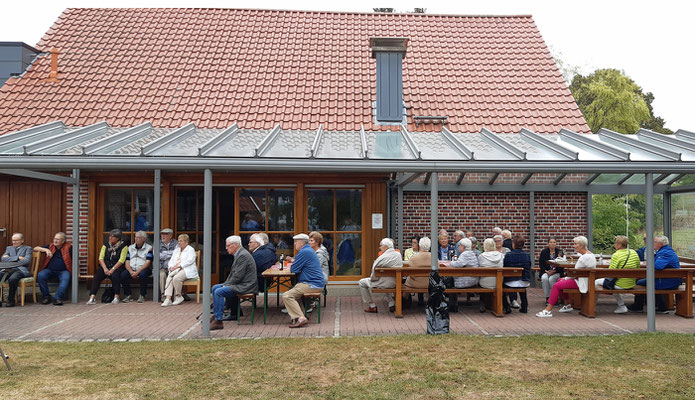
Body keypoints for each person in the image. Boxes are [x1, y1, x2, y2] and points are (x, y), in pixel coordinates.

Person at [536, 236, 596, 317]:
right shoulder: (591, 255)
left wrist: (566, 278)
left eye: (575, 244)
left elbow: (574, 273)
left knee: (556, 285)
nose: (574, 246)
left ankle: (548, 310)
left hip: (582, 282)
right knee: (559, 280)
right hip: (586, 280)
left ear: (581, 245)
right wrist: (565, 278)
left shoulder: (583, 258)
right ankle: (567, 305)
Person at [210, 236, 258, 330]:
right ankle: (216, 315)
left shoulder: (243, 255)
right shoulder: (239, 254)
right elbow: (233, 274)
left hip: (246, 285)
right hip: (240, 283)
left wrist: (226, 285)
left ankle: (218, 321)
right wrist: (226, 283)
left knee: (218, 291)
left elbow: (238, 276)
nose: (226, 248)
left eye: (228, 246)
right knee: (215, 287)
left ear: (235, 245)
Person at [282, 234, 326, 328]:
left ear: (302, 242)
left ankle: (301, 318)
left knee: (287, 295)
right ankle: (301, 316)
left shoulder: (304, 252)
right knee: (295, 293)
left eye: (296, 242)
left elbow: (294, 269)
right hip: (314, 282)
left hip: (312, 284)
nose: (294, 244)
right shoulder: (307, 250)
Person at [628, 235, 681, 313]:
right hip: (667, 279)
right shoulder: (665, 251)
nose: (652, 243)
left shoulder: (665, 253)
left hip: (669, 281)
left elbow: (658, 266)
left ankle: (638, 306)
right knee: (648, 282)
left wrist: (651, 261)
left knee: (639, 282)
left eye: (654, 242)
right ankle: (661, 306)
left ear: (661, 244)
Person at [594, 235, 640, 314]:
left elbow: (610, 272)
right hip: (631, 283)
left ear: (619, 244)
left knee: (595, 282)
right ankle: (621, 306)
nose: (614, 245)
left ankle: (592, 305)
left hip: (620, 284)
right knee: (614, 281)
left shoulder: (616, 255)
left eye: (615, 243)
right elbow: (637, 267)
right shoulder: (633, 252)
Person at [359, 238, 403, 313]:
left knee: (361, 282)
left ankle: (372, 305)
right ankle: (391, 303)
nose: (380, 248)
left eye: (381, 246)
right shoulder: (398, 255)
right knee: (386, 280)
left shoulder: (382, 257)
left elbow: (374, 271)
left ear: (386, 247)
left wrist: (373, 280)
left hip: (384, 283)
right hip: (395, 282)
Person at [87, 229, 128, 305]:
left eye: (112, 237)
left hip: (117, 267)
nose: (110, 238)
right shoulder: (106, 245)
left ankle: (116, 296)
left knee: (116, 275)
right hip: (106, 266)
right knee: (97, 275)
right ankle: (92, 297)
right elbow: (101, 258)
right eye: (110, 236)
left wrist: (112, 269)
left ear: (117, 238)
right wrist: (105, 268)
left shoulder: (123, 246)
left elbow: (122, 260)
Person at [34, 232, 73, 306]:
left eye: (58, 239)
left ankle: (57, 298)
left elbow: (76, 259)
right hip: (50, 270)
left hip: (64, 270)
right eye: (55, 239)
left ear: (63, 241)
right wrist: (46, 250)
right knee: (40, 275)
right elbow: (35, 248)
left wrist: (77, 272)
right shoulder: (50, 246)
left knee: (66, 277)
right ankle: (46, 297)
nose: (55, 241)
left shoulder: (69, 247)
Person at [161, 234, 198, 307]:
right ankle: (168, 299)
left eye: (181, 241)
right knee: (170, 277)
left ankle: (178, 296)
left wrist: (178, 266)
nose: (179, 243)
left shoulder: (190, 249)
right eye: (179, 241)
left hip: (186, 269)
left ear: (186, 242)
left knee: (176, 278)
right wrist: (171, 267)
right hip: (176, 269)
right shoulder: (177, 250)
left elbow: (190, 261)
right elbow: (171, 260)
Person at [120, 231, 153, 303]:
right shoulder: (130, 247)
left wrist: (137, 272)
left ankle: (142, 295)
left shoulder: (149, 248)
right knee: (123, 275)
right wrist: (131, 271)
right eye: (135, 237)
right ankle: (128, 295)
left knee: (143, 275)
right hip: (131, 268)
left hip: (144, 268)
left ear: (144, 239)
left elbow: (148, 262)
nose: (136, 239)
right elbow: (127, 261)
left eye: (138, 237)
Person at [1, 233, 32, 307]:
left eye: (16, 240)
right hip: (9, 269)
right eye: (13, 240)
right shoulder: (9, 248)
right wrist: (17, 258)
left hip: (20, 270)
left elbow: (26, 261)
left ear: (22, 240)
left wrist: (10, 259)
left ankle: (11, 300)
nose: (14, 242)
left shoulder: (28, 248)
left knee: (13, 279)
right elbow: (3, 259)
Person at [502, 235, 531, 314]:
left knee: (499, 286)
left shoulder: (508, 255)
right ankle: (524, 306)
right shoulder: (527, 255)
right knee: (522, 284)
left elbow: (504, 267)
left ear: (513, 244)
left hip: (510, 282)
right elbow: (528, 267)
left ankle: (506, 306)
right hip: (525, 281)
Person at [449, 238, 480, 311]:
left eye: (459, 245)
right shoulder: (470, 253)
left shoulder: (465, 254)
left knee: (448, 280)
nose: (458, 246)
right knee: (449, 280)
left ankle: (452, 305)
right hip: (472, 278)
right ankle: (453, 304)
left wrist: (449, 263)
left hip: (468, 280)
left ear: (464, 247)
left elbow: (458, 264)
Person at [538, 238, 565, 304]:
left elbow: (562, 264)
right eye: (551, 242)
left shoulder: (559, 252)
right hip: (546, 271)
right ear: (548, 243)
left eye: (554, 242)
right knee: (544, 278)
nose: (553, 244)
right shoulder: (544, 252)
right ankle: (548, 297)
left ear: (556, 243)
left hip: (557, 272)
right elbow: (541, 264)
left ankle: (555, 298)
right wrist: (546, 271)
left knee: (551, 279)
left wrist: (554, 271)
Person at [158, 228, 177, 296]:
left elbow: (177, 255)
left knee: (176, 275)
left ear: (170, 236)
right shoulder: (157, 243)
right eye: (162, 234)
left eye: (165, 234)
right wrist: (171, 254)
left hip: (174, 267)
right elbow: (157, 256)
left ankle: (177, 295)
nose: (163, 236)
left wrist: (164, 254)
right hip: (162, 267)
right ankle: (163, 295)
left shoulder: (176, 243)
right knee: (162, 275)